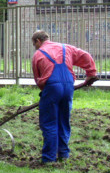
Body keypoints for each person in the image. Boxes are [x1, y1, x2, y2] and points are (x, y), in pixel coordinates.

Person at [31, 30, 98, 163]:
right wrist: (91, 73)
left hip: (51, 87)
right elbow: (85, 55)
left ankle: (49, 159)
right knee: (63, 120)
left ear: (38, 41)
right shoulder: (65, 48)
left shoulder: (38, 54)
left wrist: (45, 93)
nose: (35, 47)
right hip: (68, 86)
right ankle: (63, 155)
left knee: (49, 123)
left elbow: (38, 79)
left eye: (35, 44)